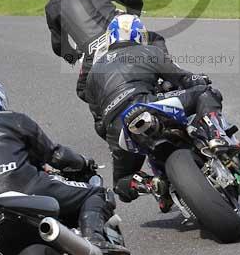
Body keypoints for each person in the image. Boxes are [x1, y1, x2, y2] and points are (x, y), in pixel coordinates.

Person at [0, 75, 125, 255]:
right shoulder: (13, 120)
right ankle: (93, 240)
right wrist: (83, 163)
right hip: (30, 189)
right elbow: (55, 155)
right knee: (97, 193)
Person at [85, 14, 222, 204]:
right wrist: (199, 79)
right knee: (206, 93)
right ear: (140, 35)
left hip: (117, 127)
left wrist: (114, 139)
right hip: (147, 103)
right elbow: (182, 79)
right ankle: (216, 136)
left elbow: (99, 123)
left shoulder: (92, 73)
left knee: (121, 185)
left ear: (110, 38)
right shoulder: (148, 51)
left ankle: (150, 184)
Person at [45, 0, 167, 132]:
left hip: (93, 55)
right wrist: (130, 22)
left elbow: (58, 46)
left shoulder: (52, 7)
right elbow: (135, 2)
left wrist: (75, 57)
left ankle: (108, 126)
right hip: (125, 35)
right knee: (156, 40)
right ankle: (170, 78)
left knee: (84, 91)